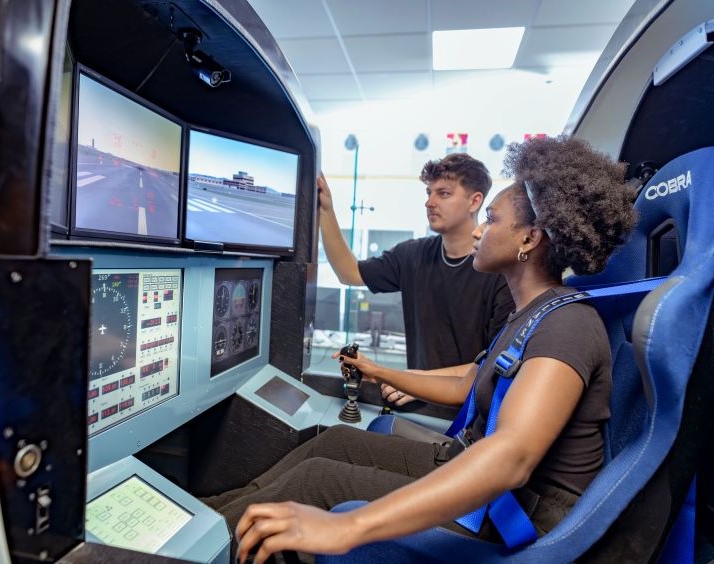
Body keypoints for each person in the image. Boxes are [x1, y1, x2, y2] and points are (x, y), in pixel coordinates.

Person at [207, 136, 637, 562]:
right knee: (334, 442)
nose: (480, 230)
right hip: (478, 470)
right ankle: (209, 524)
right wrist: (380, 372)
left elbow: (512, 457)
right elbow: (467, 385)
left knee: (316, 481)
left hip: (513, 516)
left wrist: (347, 526)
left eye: (491, 219)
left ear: (529, 240)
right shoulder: (530, 315)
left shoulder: (567, 325)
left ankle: (204, 549)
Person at [318, 154, 515, 407]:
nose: (429, 202)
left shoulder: (499, 273)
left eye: (443, 194)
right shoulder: (412, 255)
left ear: (474, 201)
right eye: (429, 192)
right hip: (416, 403)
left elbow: (494, 363)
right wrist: (326, 210)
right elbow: (349, 273)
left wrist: (414, 381)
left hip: (468, 411)